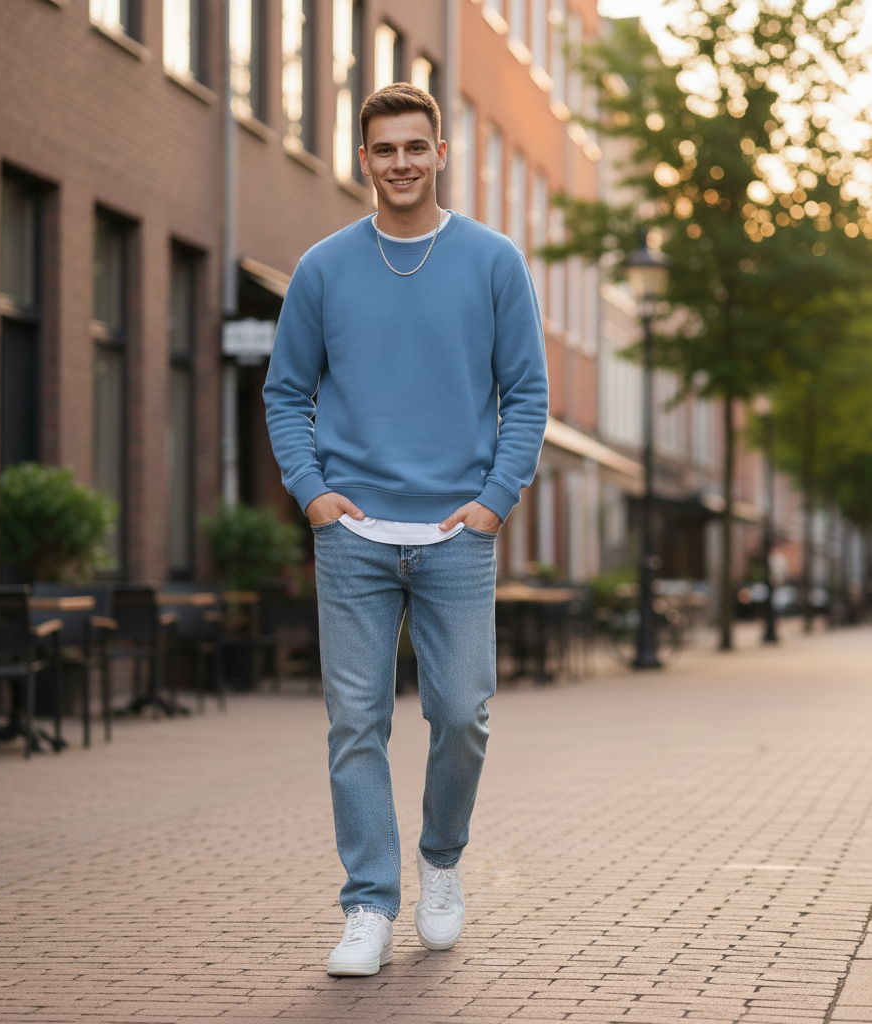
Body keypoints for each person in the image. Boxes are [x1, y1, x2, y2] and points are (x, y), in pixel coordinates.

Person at [264, 83, 548, 977]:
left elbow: (527, 395)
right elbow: (284, 392)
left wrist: (493, 501)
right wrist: (311, 492)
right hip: (351, 533)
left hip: (456, 534)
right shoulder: (322, 268)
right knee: (355, 723)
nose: (399, 164)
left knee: (461, 715)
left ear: (439, 152)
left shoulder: (493, 262)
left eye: (414, 148)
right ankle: (367, 905)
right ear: (363, 159)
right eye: (383, 150)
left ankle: (440, 859)